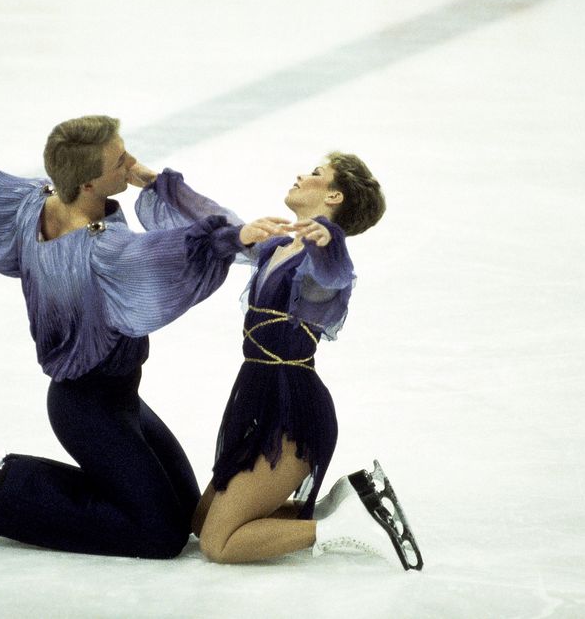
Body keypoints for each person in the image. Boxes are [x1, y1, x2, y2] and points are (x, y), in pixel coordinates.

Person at [0, 115, 289, 559]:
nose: (131, 163)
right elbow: (173, 253)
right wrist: (231, 237)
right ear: (87, 185)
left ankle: (25, 486)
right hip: (86, 408)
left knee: (185, 513)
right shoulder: (102, 252)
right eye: (120, 161)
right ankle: (7, 489)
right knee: (160, 536)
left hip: (121, 400)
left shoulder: (33, 202)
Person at [138, 152, 420, 570]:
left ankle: (349, 527)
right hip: (256, 399)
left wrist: (329, 239)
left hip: (292, 411)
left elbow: (334, 274)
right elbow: (221, 220)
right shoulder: (278, 247)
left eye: (316, 174)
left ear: (334, 195)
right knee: (201, 522)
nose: (302, 175)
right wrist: (157, 182)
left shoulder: (319, 265)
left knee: (220, 544)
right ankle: (334, 509)